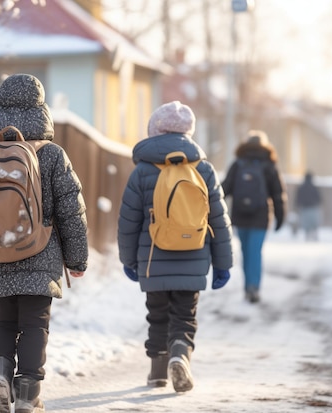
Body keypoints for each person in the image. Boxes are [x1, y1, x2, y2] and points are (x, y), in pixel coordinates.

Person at [0, 74, 88, 413]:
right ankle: (28, 394)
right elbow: (72, 210)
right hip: (40, 254)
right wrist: (76, 259)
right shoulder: (52, 155)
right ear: (41, 109)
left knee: (4, 322)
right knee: (34, 323)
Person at [117, 101, 233, 393]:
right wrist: (223, 263)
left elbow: (128, 221)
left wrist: (129, 260)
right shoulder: (203, 169)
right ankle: (180, 354)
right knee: (184, 315)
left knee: (157, 315)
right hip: (194, 255)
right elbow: (219, 219)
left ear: (154, 130)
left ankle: (157, 372)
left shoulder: (142, 171)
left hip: (153, 257)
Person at [222, 130, 286, 304]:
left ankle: (247, 286)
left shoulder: (238, 163)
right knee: (255, 252)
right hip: (261, 216)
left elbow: (225, 188)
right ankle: (254, 287)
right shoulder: (269, 165)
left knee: (245, 251)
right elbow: (278, 194)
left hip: (240, 215)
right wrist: (280, 216)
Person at [295, 171, 321, 241]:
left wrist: (298, 205)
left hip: (305, 208)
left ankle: (308, 235)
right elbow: (318, 197)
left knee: (307, 223)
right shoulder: (314, 187)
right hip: (313, 207)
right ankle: (314, 234)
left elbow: (298, 198)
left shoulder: (301, 187)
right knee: (314, 223)